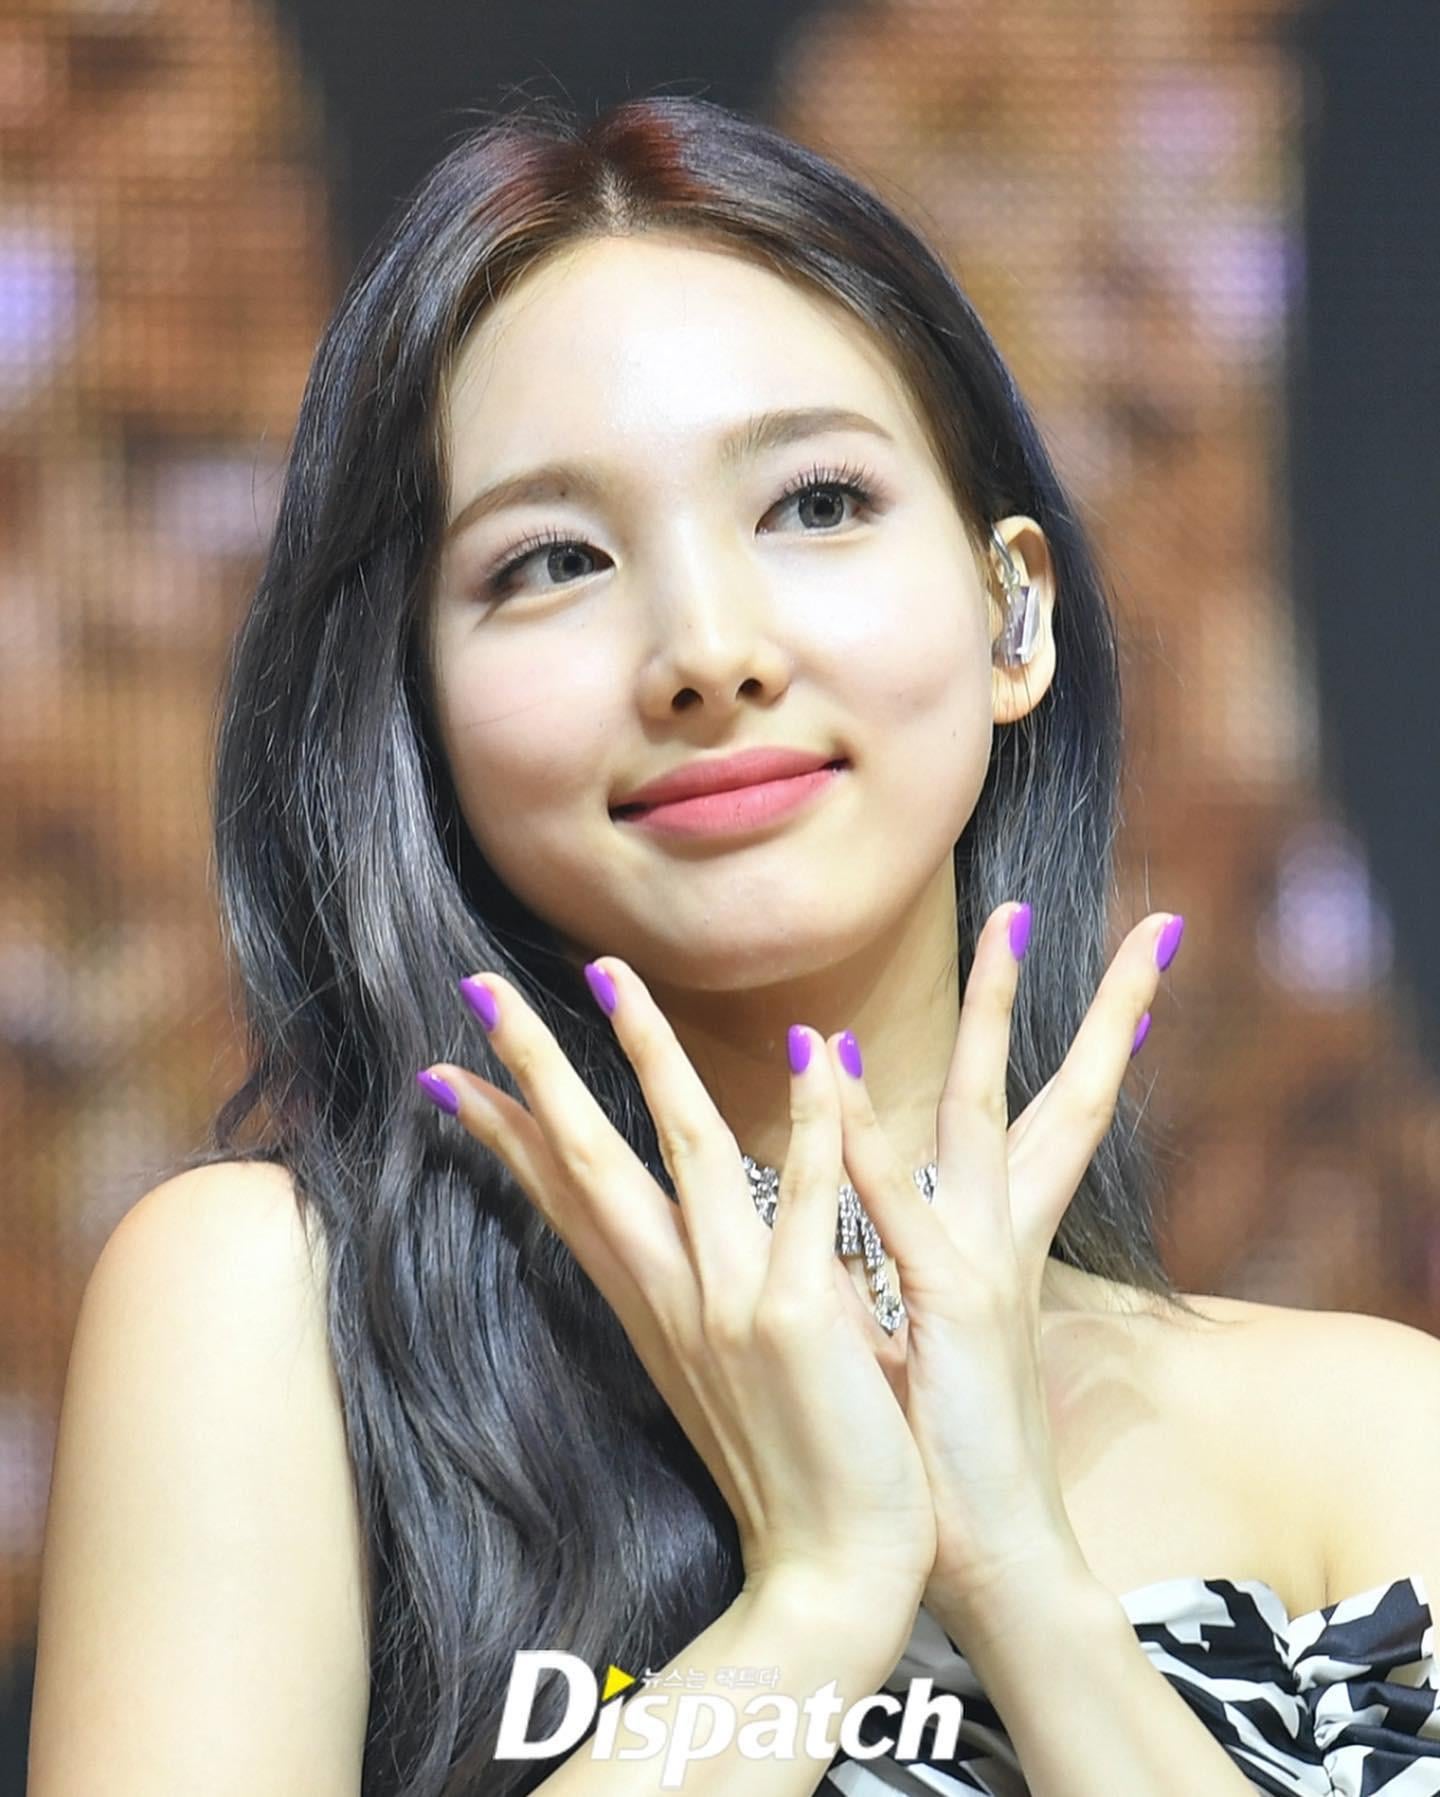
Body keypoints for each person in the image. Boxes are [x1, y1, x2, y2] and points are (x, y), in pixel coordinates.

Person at [27, 93, 1440, 1797]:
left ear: (1015, 610)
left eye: (816, 502)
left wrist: (1016, 1574)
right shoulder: (273, 1318)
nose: (706, 648)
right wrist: (818, 1592)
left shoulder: (1374, 1432)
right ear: (420, 709)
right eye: (553, 559)